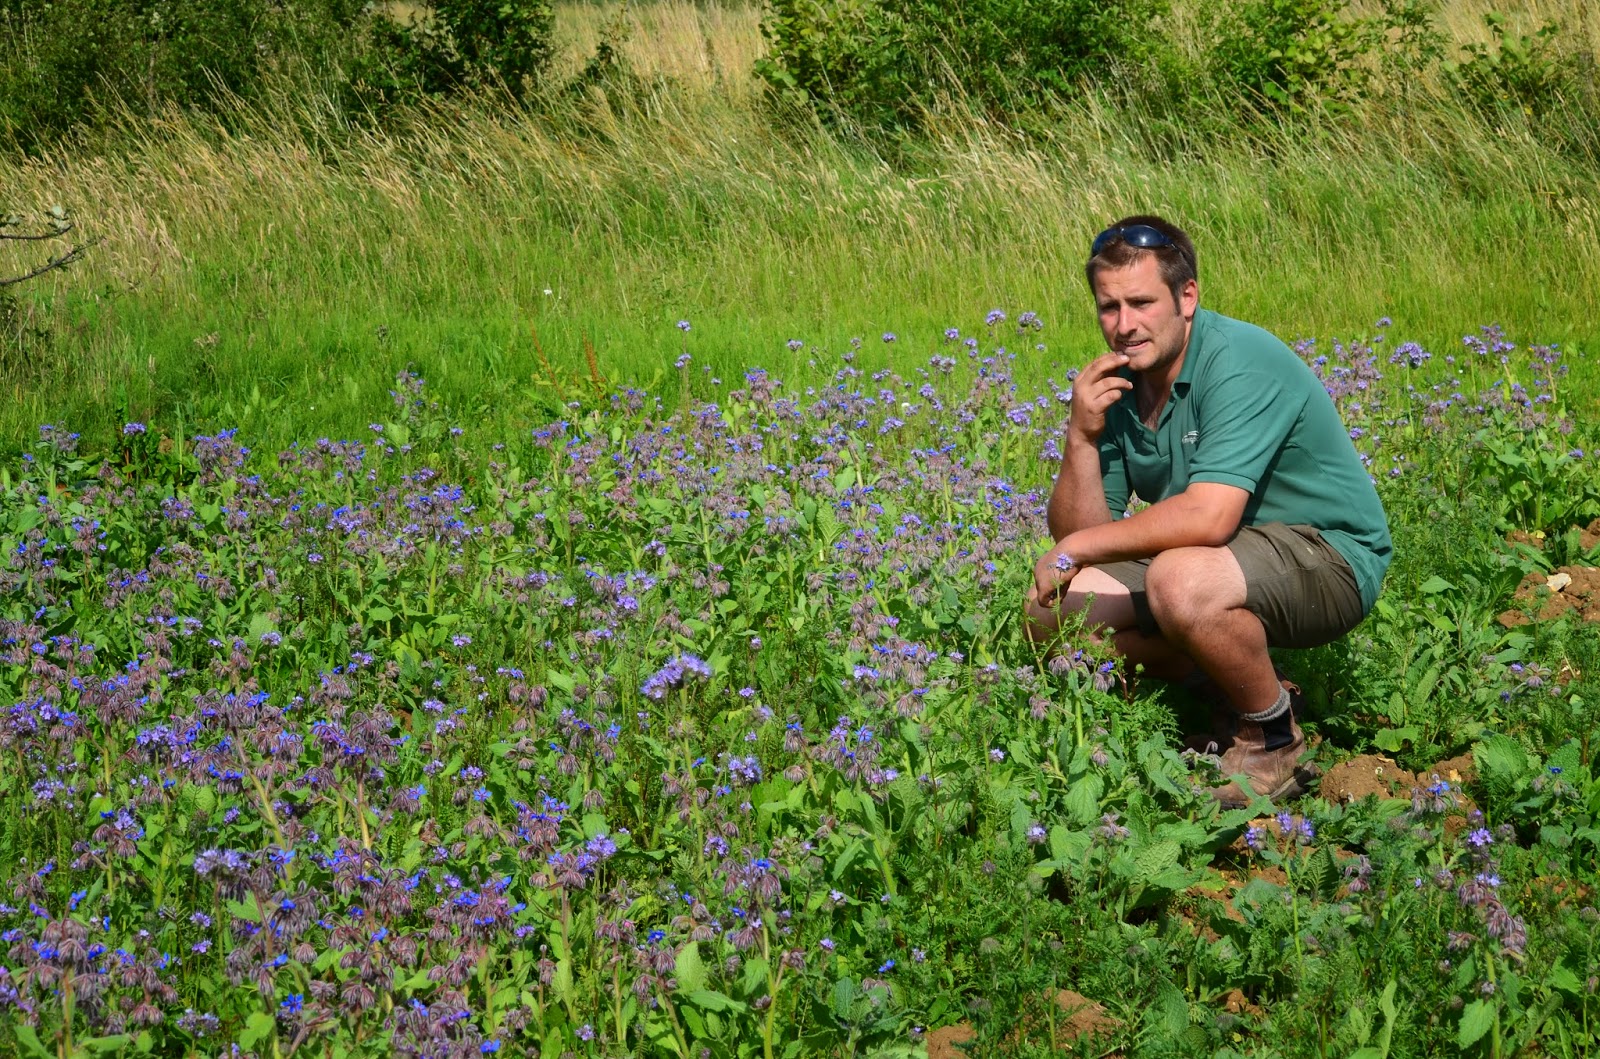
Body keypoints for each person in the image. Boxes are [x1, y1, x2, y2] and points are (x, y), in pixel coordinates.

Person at [1024, 214, 1391, 806]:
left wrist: (1075, 549)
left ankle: (1274, 741)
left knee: (1180, 581)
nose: (1124, 325)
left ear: (1187, 297)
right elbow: (1085, 538)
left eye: (1142, 303)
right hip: (1220, 557)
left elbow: (1207, 518)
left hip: (1328, 555)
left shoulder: (1238, 360)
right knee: (1052, 615)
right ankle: (1233, 686)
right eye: (1109, 307)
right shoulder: (1122, 383)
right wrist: (1081, 437)